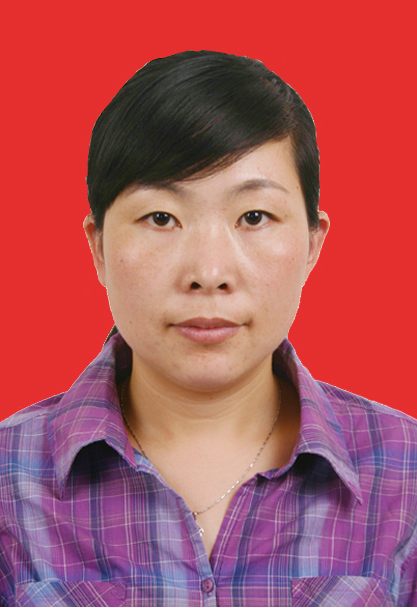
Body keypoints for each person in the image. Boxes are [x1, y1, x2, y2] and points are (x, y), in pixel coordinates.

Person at [0, 50, 416, 608]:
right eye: (161, 218)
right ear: (97, 246)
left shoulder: (406, 476)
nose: (209, 272)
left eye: (253, 217)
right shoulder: (10, 481)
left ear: (312, 244)